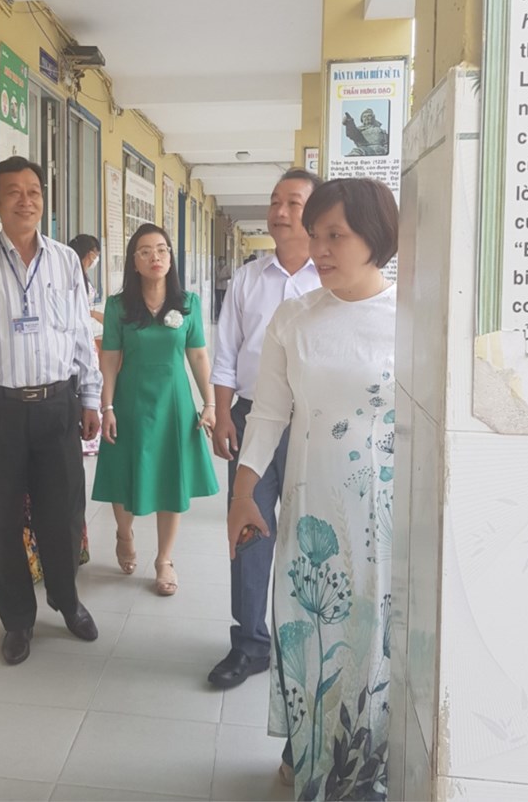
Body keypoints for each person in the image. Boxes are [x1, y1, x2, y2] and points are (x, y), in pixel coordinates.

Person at [228, 178, 398, 799]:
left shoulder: (412, 317)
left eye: (335, 236)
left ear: (375, 239)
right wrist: (243, 492)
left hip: (384, 515)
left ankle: (363, 771)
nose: (318, 249)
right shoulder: (293, 318)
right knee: (313, 635)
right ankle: (308, 756)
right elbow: (269, 413)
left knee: (372, 636)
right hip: (310, 512)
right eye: (315, 234)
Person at [0, 155, 102, 666]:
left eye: (34, 191)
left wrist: (90, 396)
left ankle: (66, 600)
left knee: (64, 512)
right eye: (14, 192)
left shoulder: (66, 262)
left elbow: (80, 333)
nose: (26, 201)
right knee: (4, 517)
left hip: (57, 405)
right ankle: (17, 620)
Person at [207, 169, 323, 690]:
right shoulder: (249, 279)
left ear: (315, 213)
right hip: (253, 418)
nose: (279, 211)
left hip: (315, 424)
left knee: (311, 532)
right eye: (275, 201)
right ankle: (250, 644)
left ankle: (306, 641)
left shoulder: (331, 276)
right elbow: (226, 354)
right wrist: (222, 415)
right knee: (249, 529)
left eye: (293, 203)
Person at [92, 224, 219, 596]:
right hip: (130, 399)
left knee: (171, 478)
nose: (155, 257)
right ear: (134, 261)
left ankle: (164, 560)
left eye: (162, 249)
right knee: (123, 471)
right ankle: (124, 533)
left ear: (170, 257)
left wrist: (210, 403)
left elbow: (198, 356)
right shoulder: (118, 306)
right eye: (145, 251)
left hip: (174, 402)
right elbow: (110, 358)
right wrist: (107, 406)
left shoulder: (187, 303)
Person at [68, 233, 104, 457]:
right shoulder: (73, 273)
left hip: (87, 333)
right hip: (80, 335)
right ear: (90, 253)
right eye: (96, 255)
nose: (96, 259)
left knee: (91, 379)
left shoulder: (83, 274)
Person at [214, 256, 231, 321]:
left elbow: (230, 276)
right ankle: (219, 314)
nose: (221, 261)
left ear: (224, 261)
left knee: (224, 301)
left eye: (223, 260)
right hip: (217, 286)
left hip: (224, 287)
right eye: (220, 260)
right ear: (219, 261)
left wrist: (223, 278)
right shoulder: (216, 267)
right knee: (218, 301)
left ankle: (224, 314)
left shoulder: (227, 268)